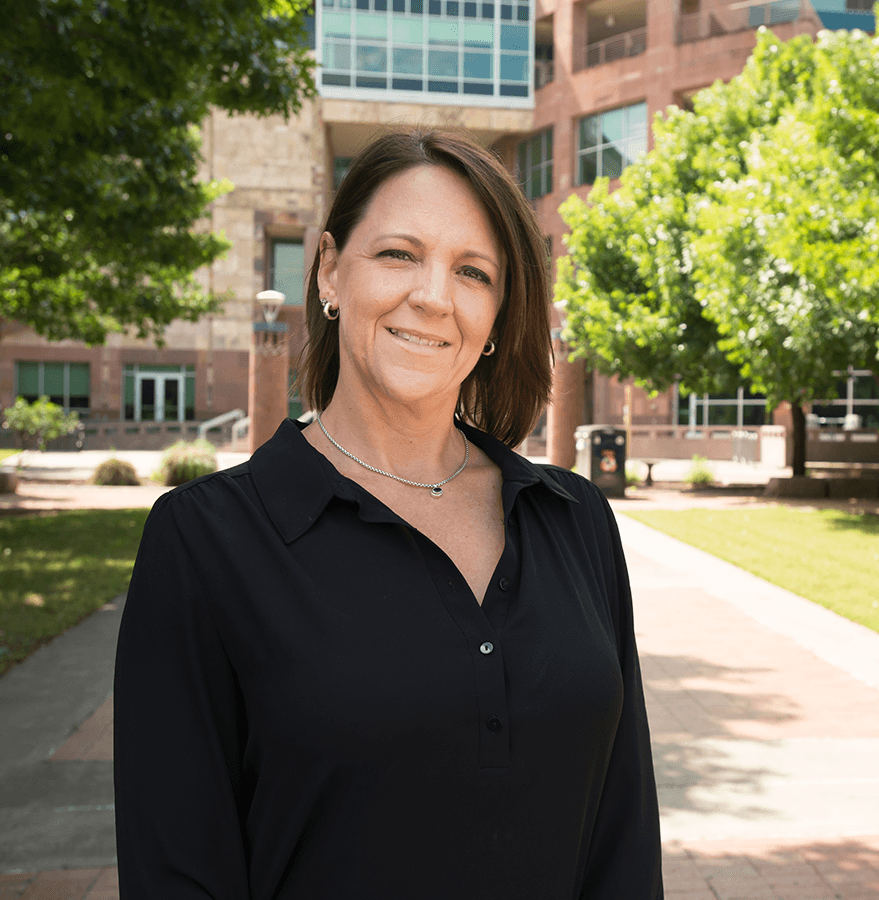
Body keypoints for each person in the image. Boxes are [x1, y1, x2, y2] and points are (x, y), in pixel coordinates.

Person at [113, 128, 663, 899]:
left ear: (501, 315)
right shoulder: (204, 542)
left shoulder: (577, 523)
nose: (432, 296)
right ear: (331, 272)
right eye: (399, 254)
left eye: (473, 272)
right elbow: (178, 871)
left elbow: (624, 842)